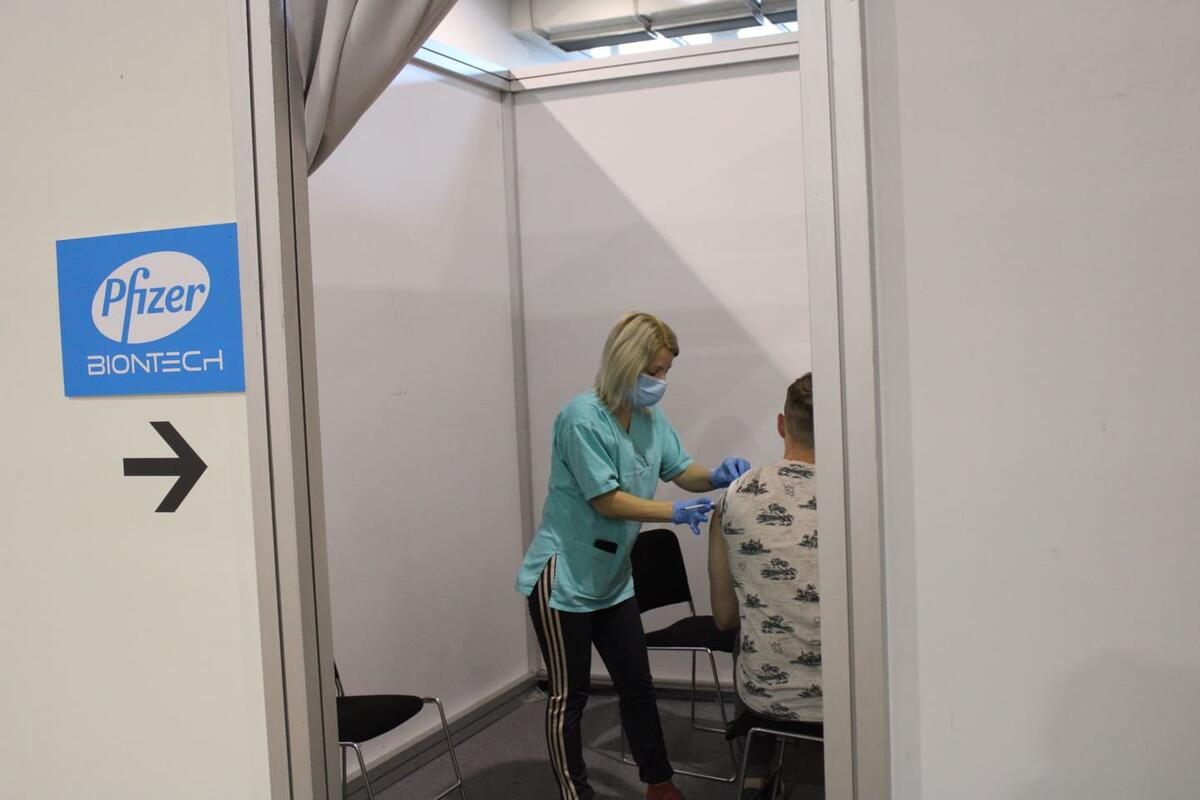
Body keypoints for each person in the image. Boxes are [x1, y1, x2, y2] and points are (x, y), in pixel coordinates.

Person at [516, 311, 751, 800]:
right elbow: (606, 500)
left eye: (667, 371)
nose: (662, 381)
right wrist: (673, 513)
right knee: (569, 696)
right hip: (565, 577)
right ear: (626, 364)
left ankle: (659, 783)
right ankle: (576, 794)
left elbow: (681, 469)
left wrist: (715, 476)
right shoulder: (581, 419)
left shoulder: (649, 419)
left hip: (612, 577)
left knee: (638, 685)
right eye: (655, 371)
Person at [707, 374, 822, 797]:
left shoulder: (734, 496)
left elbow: (724, 618)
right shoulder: (862, 495)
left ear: (781, 425)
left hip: (765, 695)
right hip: (854, 698)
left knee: (749, 633)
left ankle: (757, 766)